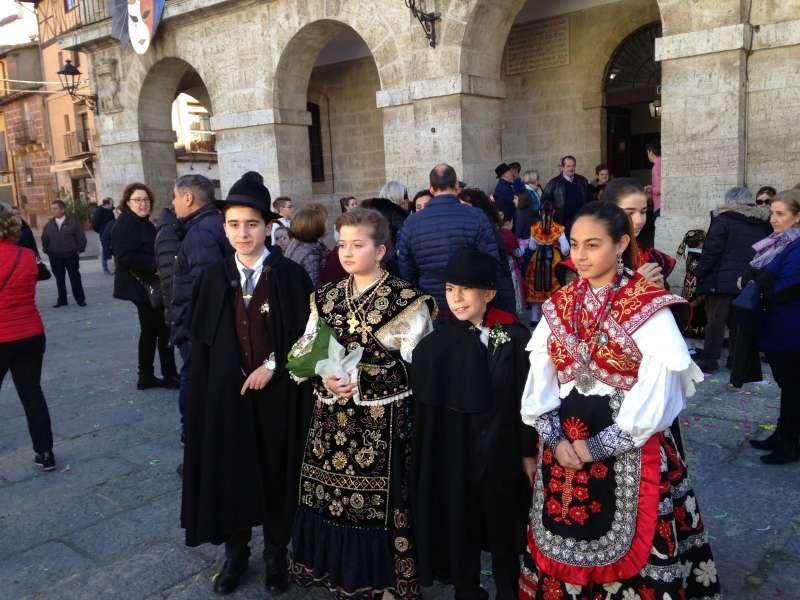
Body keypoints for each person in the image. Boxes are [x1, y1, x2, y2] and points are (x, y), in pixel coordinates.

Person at [519, 201, 719, 599]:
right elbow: (538, 385)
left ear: (621, 243)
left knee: (637, 540)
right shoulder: (559, 305)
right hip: (563, 448)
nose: (580, 255)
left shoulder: (648, 305)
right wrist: (555, 440)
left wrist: (595, 447)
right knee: (561, 535)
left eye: (593, 245)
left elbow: (657, 392)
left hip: (629, 445)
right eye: (575, 244)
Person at [289, 207, 436, 599]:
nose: (347, 253)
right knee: (331, 498)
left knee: (381, 504)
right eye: (342, 245)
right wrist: (321, 371)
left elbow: (419, 370)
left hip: (381, 421)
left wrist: (361, 378)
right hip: (330, 418)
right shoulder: (326, 296)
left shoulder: (406, 301)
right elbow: (307, 347)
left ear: (381, 249)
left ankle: (386, 580)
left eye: (358, 245)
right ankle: (336, 570)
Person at [181, 174, 314, 595]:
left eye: (252, 224)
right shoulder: (212, 278)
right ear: (224, 227)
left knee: (277, 470)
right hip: (228, 399)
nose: (243, 233)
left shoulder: (291, 276)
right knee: (231, 471)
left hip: (278, 397)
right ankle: (236, 551)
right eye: (235, 224)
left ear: (268, 227)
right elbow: (199, 342)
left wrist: (274, 364)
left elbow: (310, 336)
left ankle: (276, 552)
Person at [411, 248, 537, 600]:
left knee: (504, 528)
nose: (457, 298)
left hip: (502, 453)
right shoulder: (437, 343)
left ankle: (509, 589)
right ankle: (467, 590)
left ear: (489, 293)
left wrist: (527, 451)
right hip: (457, 454)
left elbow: (526, 401)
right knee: (460, 523)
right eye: (451, 289)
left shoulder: (515, 337)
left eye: (466, 289)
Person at [171, 174, 230, 446]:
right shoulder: (215, 224)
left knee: (192, 376)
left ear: (188, 198)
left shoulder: (200, 233)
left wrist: (194, 327)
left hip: (198, 325)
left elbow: (206, 287)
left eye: (174, 197)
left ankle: (191, 433)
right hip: (205, 323)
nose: (173, 203)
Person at [397, 164, 502, 317]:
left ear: (431, 188)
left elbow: (406, 266)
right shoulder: (476, 216)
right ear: (457, 185)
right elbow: (491, 260)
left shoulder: (413, 222)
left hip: (431, 300)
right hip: (469, 300)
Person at [742, 189, 800, 464]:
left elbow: (785, 286)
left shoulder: (797, 246)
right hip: (777, 324)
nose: (773, 219)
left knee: (793, 387)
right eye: (772, 213)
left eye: (780, 214)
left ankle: (789, 444)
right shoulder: (778, 242)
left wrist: (759, 281)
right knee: (788, 386)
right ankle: (783, 434)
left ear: (797, 217)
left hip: (791, 328)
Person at [0, 202, 56, 471]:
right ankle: (45, 453)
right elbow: (41, 274)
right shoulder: (26, 255)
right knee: (32, 393)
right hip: (31, 333)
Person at [694, 187, 771, 373]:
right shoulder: (762, 223)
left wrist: (701, 272)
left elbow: (711, 251)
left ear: (730, 202)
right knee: (737, 322)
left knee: (715, 320)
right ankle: (735, 359)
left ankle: (710, 359)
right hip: (745, 280)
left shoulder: (723, 220)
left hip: (721, 279)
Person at [112, 184, 179, 390]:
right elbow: (123, 257)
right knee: (162, 329)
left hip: (146, 285)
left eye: (146, 200)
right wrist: (155, 266)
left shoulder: (142, 221)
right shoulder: (126, 223)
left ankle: (146, 376)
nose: (143, 204)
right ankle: (168, 375)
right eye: (138, 200)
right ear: (128, 202)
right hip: (141, 286)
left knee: (150, 331)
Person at [458, 188, 517, 314]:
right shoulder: (477, 227)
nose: (462, 210)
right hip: (491, 290)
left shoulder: (486, 228)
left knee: (496, 330)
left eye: (466, 206)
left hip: (495, 292)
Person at [524, 199, 569, 327]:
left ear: (540, 212)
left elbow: (532, 247)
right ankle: (550, 316)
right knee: (554, 285)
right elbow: (565, 248)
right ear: (553, 212)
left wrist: (540, 243)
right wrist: (562, 253)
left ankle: (534, 317)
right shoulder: (558, 228)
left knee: (535, 284)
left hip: (537, 258)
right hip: (553, 260)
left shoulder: (535, 228)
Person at [41, 199, 87, 307]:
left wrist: (78, 250)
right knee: (59, 279)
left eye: (55, 208)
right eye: (52, 209)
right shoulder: (49, 224)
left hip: (71, 255)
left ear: (62, 209)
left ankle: (80, 299)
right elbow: (44, 239)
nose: (53, 211)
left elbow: (81, 238)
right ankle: (62, 300)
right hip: (55, 257)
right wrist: (48, 251)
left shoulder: (73, 222)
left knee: (75, 278)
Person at [540, 155, 589, 237]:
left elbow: (588, 199)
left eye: (573, 166)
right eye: (568, 166)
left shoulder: (582, 181)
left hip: (580, 221)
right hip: (563, 223)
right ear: (562, 167)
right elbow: (544, 201)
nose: (571, 168)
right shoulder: (554, 183)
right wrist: (552, 207)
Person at [284, 204, 328, 287]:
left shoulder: (297, 241)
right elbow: (313, 286)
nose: (327, 223)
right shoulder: (311, 253)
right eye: (324, 221)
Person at [92, 197, 115, 274]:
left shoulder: (111, 210)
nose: (113, 205)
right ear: (106, 204)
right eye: (112, 204)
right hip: (104, 233)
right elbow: (94, 224)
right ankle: (105, 268)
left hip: (112, 233)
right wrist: (101, 231)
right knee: (105, 249)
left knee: (114, 248)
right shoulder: (99, 211)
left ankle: (118, 267)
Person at [645, 141, 662, 217]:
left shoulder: (656, 166)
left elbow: (659, 189)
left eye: (647, 153)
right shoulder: (663, 162)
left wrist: (649, 189)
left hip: (659, 206)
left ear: (651, 152)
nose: (647, 156)